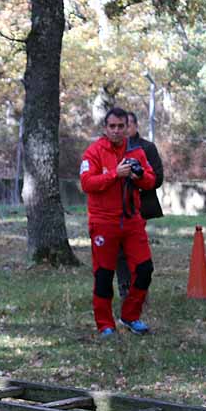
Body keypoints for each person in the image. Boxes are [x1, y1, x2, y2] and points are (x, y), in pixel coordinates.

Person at [79, 107, 157, 336]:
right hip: (103, 222)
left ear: (128, 128)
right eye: (112, 126)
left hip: (132, 221)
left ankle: (130, 316)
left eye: (121, 126)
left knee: (145, 269)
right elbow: (87, 184)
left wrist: (139, 175)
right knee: (104, 274)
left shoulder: (137, 152)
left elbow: (151, 180)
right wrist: (115, 174)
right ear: (105, 128)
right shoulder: (93, 152)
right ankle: (105, 325)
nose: (116, 130)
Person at [116, 112, 165, 297]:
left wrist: (140, 177)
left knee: (136, 251)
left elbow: (157, 178)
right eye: (118, 126)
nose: (122, 130)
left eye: (126, 126)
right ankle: (125, 287)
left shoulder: (147, 148)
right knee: (120, 251)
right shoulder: (110, 148)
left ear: (135, 126)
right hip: (117, 208)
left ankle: (139, 290)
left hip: (140, 206)